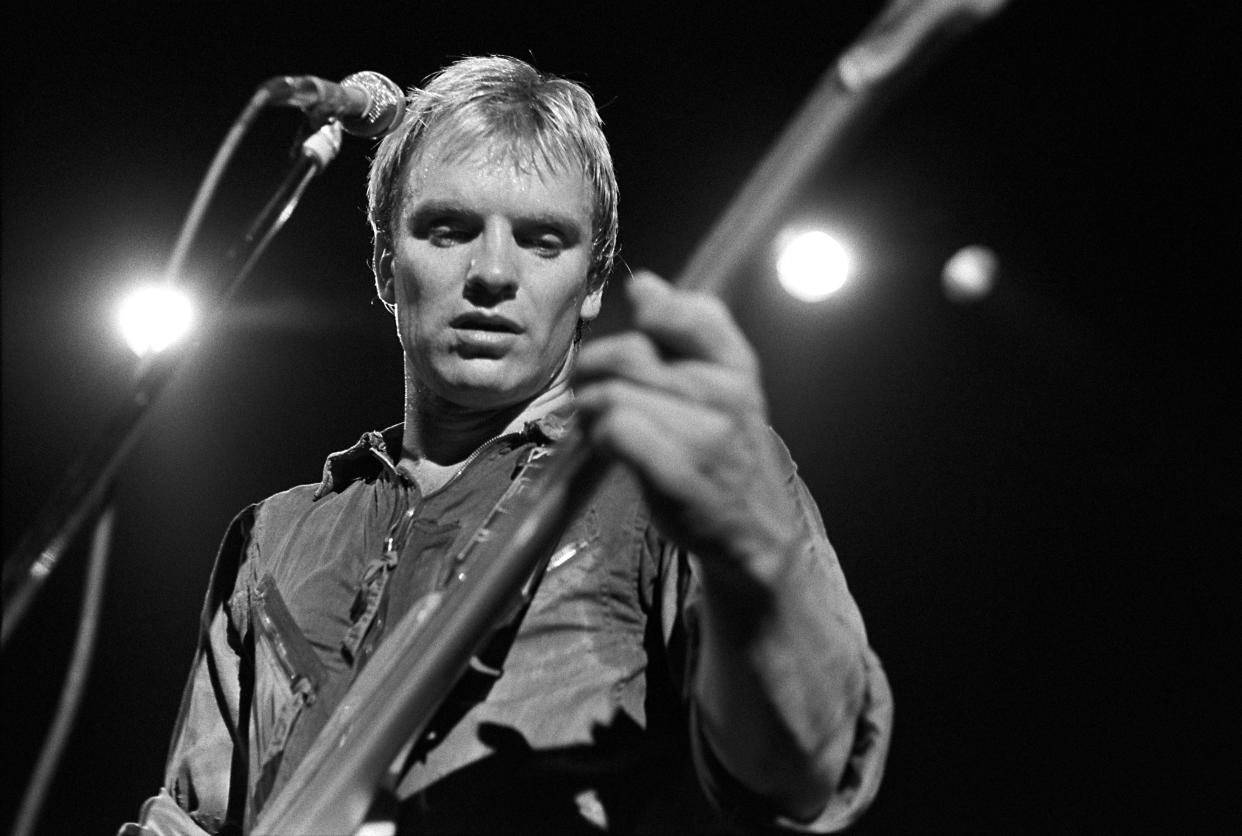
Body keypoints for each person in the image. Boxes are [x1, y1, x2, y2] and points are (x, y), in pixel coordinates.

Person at [122, 55, 892, 835]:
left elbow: (803, 772)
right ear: (387, 264)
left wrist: (751, 560)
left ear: (593, 283)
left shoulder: (676, 477)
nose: (492, 272)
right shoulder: (275, 536)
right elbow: (193, 819)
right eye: (449, 229)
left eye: (542, 240)